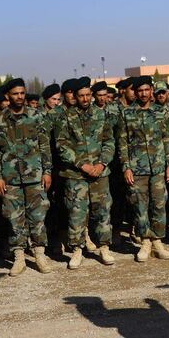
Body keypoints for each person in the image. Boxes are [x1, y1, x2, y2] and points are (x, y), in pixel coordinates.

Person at [0, 78, 54, 276]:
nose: (20, 97)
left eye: (22, 93)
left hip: (35, 176)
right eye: (16, 94)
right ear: (8, 96)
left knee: (38, 217)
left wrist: (47, 171)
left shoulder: (36, 116)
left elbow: (44, 147)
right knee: (14, 218)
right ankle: (19, 257)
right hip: (10, 178)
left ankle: (39, 255)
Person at [54, 77, 116, 269]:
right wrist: (82, 164)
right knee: (77, 213)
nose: (85, 98)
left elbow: (109, 141)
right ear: (75, 96)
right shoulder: (65, 117)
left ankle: (104, 247)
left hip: (100, 173)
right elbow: (61, 144)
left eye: (88, 95)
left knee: (103, 211)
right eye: (81, 95)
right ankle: (77, 250)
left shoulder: (101, 114)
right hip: (76, 175)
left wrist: (101, 163)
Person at [116, 76, 169, 262]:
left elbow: (167, 140)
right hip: (136, 167)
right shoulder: (126, 113)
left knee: (158, 204)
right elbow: (122, 143)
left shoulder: (161, 112)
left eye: (146, 90)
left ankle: (157, 241)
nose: (143, 94)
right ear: (134, 92)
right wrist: (126, 167)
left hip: (157, 167)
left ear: (151, 91)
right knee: (139, 206)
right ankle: (145, 242)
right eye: (139, 90)